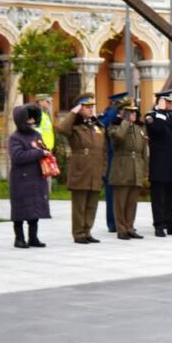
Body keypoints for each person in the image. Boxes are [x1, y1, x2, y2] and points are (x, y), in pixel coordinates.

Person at [56, 93, 107, 244]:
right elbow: (61, 129)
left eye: (92, 107)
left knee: (92, 204)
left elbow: (103, 151)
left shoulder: (97, 126)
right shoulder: (74, 126)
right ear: (79, 109)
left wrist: (104, 170)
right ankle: (78, 233)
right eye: (87, 107)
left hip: (95, 169)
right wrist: (73, 112)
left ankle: (87, 231)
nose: (91, 109)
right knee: (79, 205)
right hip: (81, 169)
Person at [8, 104, 51, 248]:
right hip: (21, 179)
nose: (32, 120)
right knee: (20, 211)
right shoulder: (15, 138)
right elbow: (17, 156)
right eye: (28, 118)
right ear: (22, 119)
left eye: (33, 117)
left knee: (34, 210)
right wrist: (39, 153)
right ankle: (19, 239)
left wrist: (46, 152)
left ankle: (33, 238)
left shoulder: (36, 134)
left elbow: (42, 149)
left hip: (36, 177)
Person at [145, 90, 172, 237]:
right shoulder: (152, 116)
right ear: (160, 101)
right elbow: (158, 131)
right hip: (160, 163)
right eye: (168, 101)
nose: (171, 104)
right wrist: (160, 110)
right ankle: (159, 225)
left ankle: (171, 223)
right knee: (159, 196)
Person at [108, 101, 148, 240]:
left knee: (132, 202)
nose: (133, 115)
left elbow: (144, 150)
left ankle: (130, 227)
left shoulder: (139, 128)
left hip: (136, 166)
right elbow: (118, 138)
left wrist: (145, 170)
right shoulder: (115, 126)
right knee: (121, 201)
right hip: (122, 167)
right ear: (122, 113)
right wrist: (125, 122)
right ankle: (121, 229)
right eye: (129, 112)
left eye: (134, 112)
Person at [99, 92, 129, 233]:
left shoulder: (126, 119)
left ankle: (124, 222)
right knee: (112, 193)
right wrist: (114, 111)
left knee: (125, 193)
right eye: (121, 107)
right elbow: (102, 125)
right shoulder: (107, 116)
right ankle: (113, 223)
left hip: (125, 159)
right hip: (110, 159)